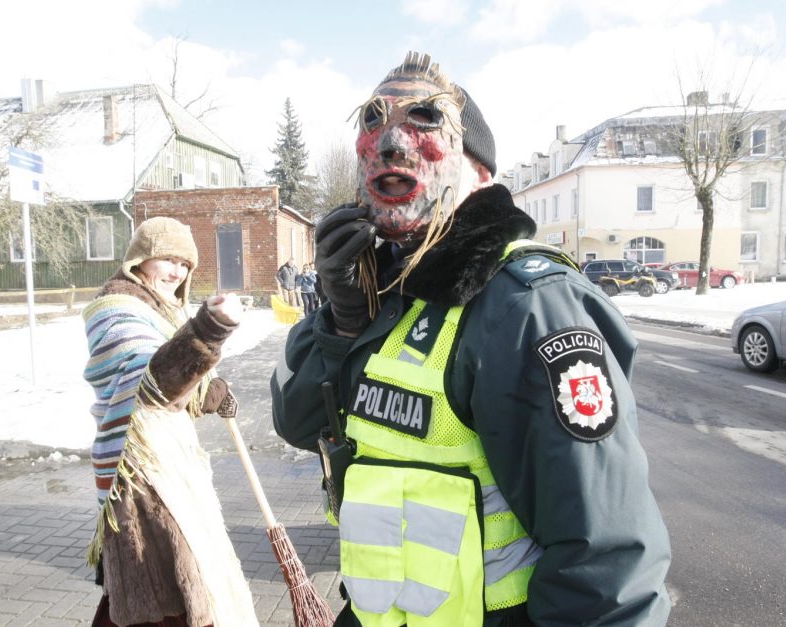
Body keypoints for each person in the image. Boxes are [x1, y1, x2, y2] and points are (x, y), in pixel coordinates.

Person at [271, 52, 671, 626]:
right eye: (373, 121)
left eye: (425, 120)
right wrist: (340, 324)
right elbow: (299, 424)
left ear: (479, 169)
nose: (390, 144)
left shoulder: (528, 306)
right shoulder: (381, 290)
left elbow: (608, 561)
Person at [83, 216, 258, 626]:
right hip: (140, 477)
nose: (176, 272)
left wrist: (213, 392)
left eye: (184, 263)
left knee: (154, 595)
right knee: (164, 594)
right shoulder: (116, 309)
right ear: (140, 260)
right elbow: (154, 384)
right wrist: (209, 331)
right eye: (166, 259)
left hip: (171, 467)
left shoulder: (160, 309)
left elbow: (180, 390)